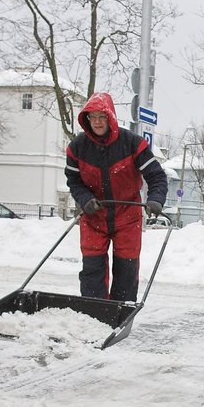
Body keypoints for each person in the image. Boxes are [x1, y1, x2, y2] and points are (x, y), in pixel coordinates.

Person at [65, 92, 168, 303]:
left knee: (126, 269)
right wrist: (85, 199)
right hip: (94, 216)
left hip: (127, 216)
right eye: (92, 117)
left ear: (110, 117)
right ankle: (94, 311)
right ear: (86, 119)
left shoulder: (132, 144)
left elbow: (156, 176)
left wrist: (156, 198)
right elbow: (74, 182)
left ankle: (120, 311)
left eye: (102, 117)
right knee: (92, 269)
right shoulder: (77, 148)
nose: (97, 122)